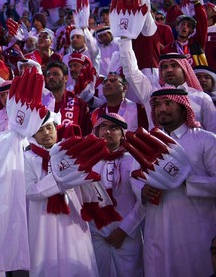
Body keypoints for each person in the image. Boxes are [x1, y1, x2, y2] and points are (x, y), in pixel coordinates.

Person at [135, 88, 216, 277]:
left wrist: (184, 182)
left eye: (168, 103)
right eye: (158, 105)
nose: (162, 109)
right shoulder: (148, 142)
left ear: (182, 107)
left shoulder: (205, 140)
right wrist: (142, 191)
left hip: (195, 229)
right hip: (157, 228)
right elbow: (135, 178)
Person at [24, 112, 98, 276]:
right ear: (33, 135)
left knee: (76, 258)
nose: (46, 133)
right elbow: (29, 191)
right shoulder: (27, 157)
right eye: (40, 130)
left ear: (56, 130)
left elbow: (85, 187)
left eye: (49, 128)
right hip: (43, 220)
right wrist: (58, 180)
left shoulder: (71, 154)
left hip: (72, 215)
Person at [91, 114, 144, 276]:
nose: (107, 131)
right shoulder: (89, 161)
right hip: (96, 235)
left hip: (127, 235)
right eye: (103, 127)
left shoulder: (133, 161)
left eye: (113, 128)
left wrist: (124, 230)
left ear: (122, 135)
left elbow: (143, 200)